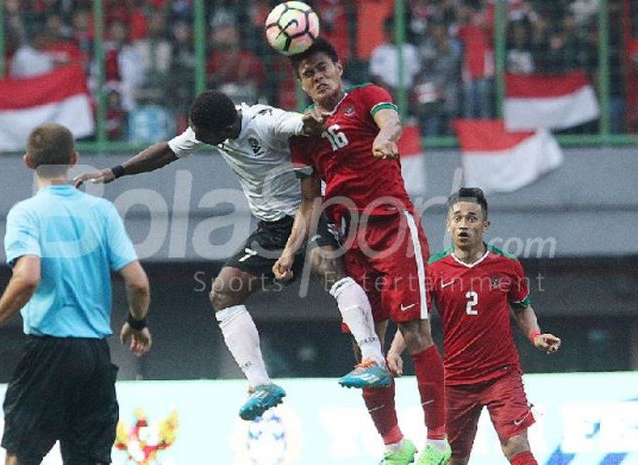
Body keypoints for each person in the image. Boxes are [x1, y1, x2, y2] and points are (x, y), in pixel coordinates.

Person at [74, 90, 390, 421]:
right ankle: (260, 384)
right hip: (271, 228)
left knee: (325, 264)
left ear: (223, 130)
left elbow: (300, 124)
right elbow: (166, 152)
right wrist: (114, 172)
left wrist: (310, 122)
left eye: (201, 135)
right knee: (223, 293)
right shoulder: (211, 127)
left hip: (310, 210)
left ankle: (372, 358)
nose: (196, 139)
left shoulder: (266, 123)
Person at [274, 38, 450, 465]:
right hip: (351, 241)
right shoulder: (304, 136)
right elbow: (309, 201)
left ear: (338, 65)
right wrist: (289, 250)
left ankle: (439, 443)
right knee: (364, 348)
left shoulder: (367, 96)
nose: (317, 77)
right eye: (307, 73)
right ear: (302, 83)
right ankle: (394, 446)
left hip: (393, 230)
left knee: (415, 332)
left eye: (322, 67)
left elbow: (392, 121)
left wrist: (386, 138)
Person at [0, 123, 152, 465]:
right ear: (74, 159)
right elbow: (138, 282)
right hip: (95, 357)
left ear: (28, 161)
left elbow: (27, 278)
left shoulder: (26, 214)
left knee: (21, 456)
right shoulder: (102, 212)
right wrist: (137, 321)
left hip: (49, 351)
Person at [388, 187, 562, 465]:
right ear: (448, 224)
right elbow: (416, 318)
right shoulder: (435, 268)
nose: (464, 225)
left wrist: (536, 335)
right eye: (457, 218)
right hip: (455, 380)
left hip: (501, 375)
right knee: (455, 458)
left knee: (516, 444)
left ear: (485, 225)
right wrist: (395, 351)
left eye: (471, 218)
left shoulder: (507, 265)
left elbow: (522, 307)